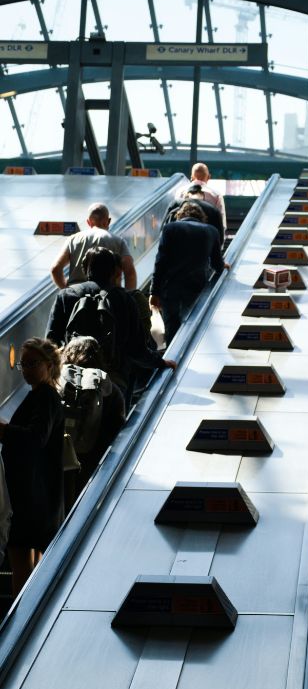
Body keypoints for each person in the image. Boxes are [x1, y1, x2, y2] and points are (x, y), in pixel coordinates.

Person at [46, 247, 176, 399]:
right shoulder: (125, 299)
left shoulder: (66, 295)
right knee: (116, 420)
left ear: (84, 268)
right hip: (114, 381)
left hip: (73, 378)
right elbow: (137, 348)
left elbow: (51, 342)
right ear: (115, 271)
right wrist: (160, 362)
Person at [0, 338, 64, 597]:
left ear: (49, 366)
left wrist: (4, 431)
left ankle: (19, 619)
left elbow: (36, 437)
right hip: (35, 493)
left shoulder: (46, 397)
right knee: (28, 561)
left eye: (32, 364)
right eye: (23, 365)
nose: (26, 370)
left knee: (20, 561)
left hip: (31, 495)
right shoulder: (41, 395)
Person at [150, 202, 228, 345]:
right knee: (192, 326)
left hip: (170, 289)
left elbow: (160, 261)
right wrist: (223, 265)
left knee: (172, 329)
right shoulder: (212, 231)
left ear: (180, 215)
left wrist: (154, 292)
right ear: (202, 217)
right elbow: (217, 265)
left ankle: (172, 358)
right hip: (197, 289)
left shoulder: (170, 228)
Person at [60, 336, 126, 488]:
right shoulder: (110, 389)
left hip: (61, 454)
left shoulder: (59, 383)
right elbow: (118, 427)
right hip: (93, 455)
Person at [51, 202, 137, 291]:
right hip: (108, 298)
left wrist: (67, 289)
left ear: (88, 222)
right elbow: (130, 273)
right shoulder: (118, 241)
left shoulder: (72, 239)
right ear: (108, 221)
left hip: (77, 296)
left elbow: (55, 269)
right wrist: (129, 298)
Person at [188, 162, 227, 231]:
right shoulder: (216, 195)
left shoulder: (180, 192)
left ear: (191, 177)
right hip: (206, 237)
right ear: (209, 177)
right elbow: (222, 224)